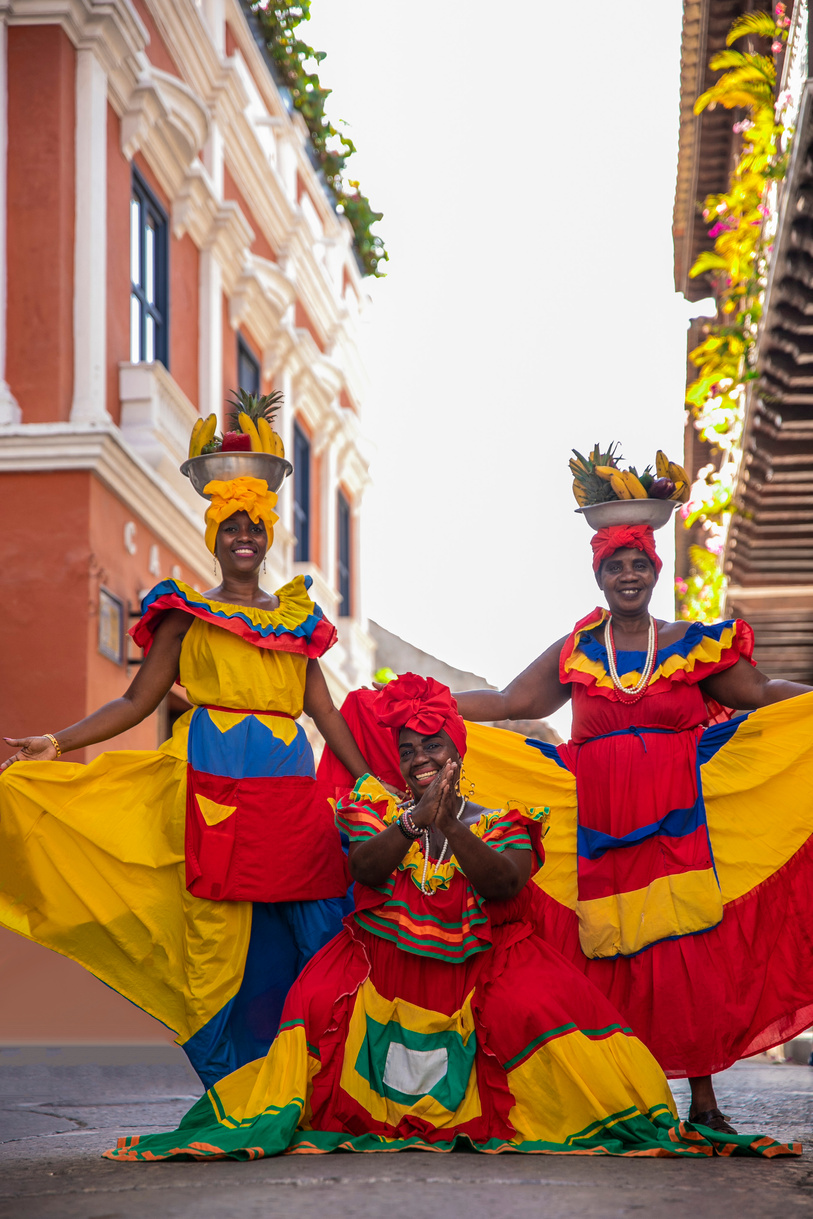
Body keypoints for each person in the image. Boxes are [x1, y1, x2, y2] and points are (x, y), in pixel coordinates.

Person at [105, 675, 798, 1161]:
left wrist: (454, 829)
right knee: (313, 1002)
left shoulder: (505, 820)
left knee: (551, 1028)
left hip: (482, 972)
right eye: (406, 752)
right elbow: (365, 871)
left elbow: (505, 883)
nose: (419, 759)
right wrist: (413, 824)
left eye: (431, 748)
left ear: (458, 752)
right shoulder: (376, 812)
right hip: (382, 969)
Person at [0, 474, 375, 1088]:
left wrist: (369, 782)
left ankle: (318, 1074)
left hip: (289, 792)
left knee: (315, 923)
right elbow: (135, 701)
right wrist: (58, 742)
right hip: (214, 791)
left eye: (254, 527)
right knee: (216, 936)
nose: (244, 538)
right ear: (214, 538)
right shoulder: (185, 616)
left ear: (269, 535)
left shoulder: (296, 621)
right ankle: (236, 1083)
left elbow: (325, 713)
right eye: (231, 528)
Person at [447, 522, 813, 1132]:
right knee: (611, 951)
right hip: (601, 818)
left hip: (679, 817)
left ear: (655, 573)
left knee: (686, 944)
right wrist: (426, 701)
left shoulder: (690, 645)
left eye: (638, 564)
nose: (628, 576)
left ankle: (705, 1101)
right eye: (615, 565)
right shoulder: (577, 649)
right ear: (599, 576)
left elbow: (762, 691)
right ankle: (621, 1092)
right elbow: (511, 701)